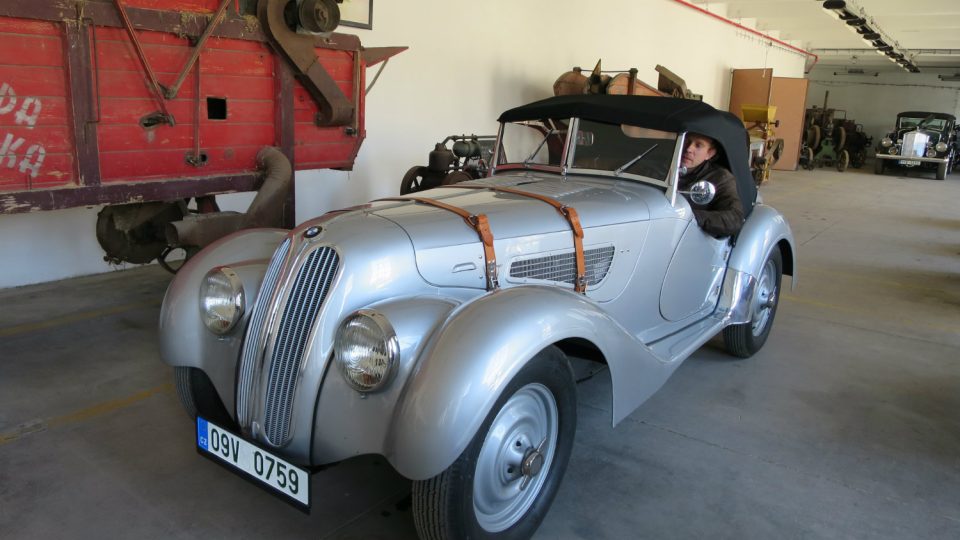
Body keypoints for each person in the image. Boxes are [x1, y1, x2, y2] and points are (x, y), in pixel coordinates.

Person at [678, 133, 744, 237]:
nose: (688, 149)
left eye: (698, 145)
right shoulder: (662, 165)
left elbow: (734, 218)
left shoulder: (721, 178)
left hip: (690, 237)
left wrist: (690, 215)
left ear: (709, 153)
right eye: (687, 141)